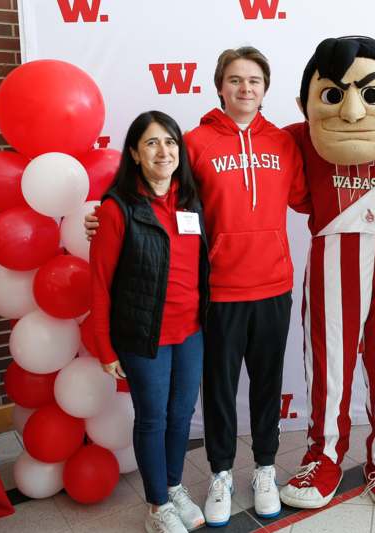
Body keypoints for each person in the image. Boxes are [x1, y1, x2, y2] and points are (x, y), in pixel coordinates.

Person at [87, 47, 309, 528]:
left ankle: (266, 470)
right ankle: (222, 474)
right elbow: (154, 193)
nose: (244, 88)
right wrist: (104, 215)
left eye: (253, 80)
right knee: (218, 395)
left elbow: (309, 198)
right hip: (219, 294)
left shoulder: (287, 143)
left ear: (266, 88)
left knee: (268, 386)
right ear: (219, 86)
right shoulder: (195, 142)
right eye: (234, 79)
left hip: (274, 285)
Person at [279, 36, 375, 511]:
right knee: (329, 364)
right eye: (335, 94)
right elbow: (235, 169)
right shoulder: (299, 138)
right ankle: (324, 453)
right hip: (328, 271)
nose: (353, 111)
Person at [89, 110, 209, 533]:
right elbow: (100, 283)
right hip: (145, 336)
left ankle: (174, 486)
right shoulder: (117, 208)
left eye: (171, 142)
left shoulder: (191, 200)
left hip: (191, 331)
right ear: (135, 154)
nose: (164, 150)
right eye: (152, 143)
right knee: (153, 418)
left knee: (181, 415)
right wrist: (104, 348)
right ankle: (157, 506)